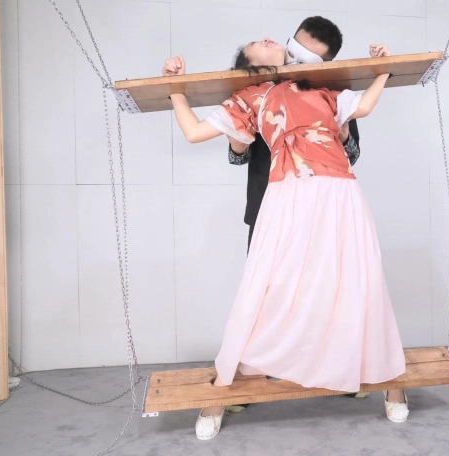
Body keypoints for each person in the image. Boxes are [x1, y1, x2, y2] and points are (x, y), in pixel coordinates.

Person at [163, 40, 407, 441]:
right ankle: (225, 388)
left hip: (339, 191)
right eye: (256, 42)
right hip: (284, 192)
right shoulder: (248, 97)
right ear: (247, 63)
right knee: (267, 287)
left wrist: (384, 68)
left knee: (356, 280)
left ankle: (386, 381)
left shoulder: (319, 86)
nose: (267, 40)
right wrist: (175, 87)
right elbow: (195, 133)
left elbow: (362, 110)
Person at [227, 16, 362, 253]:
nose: (295, 62)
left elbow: (353, 154)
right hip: (267, 207)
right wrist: (238, 147)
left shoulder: (334, 92)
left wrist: (343, 136)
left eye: (305, 59)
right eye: (294, 51)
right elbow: (237, 157)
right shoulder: (258, 86)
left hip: (319, 211)